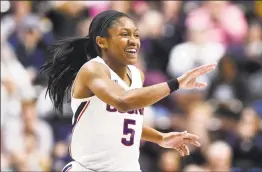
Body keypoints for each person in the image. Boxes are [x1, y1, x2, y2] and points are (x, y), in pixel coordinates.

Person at [41, 10, 216, 171]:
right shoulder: (93, 70)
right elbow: (123, 102)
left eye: (136, 34)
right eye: (125, 34)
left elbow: (124, 120)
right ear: (102, 41)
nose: (134, 41)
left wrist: (160, 138)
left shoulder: (136, 75)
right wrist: (175, 84)